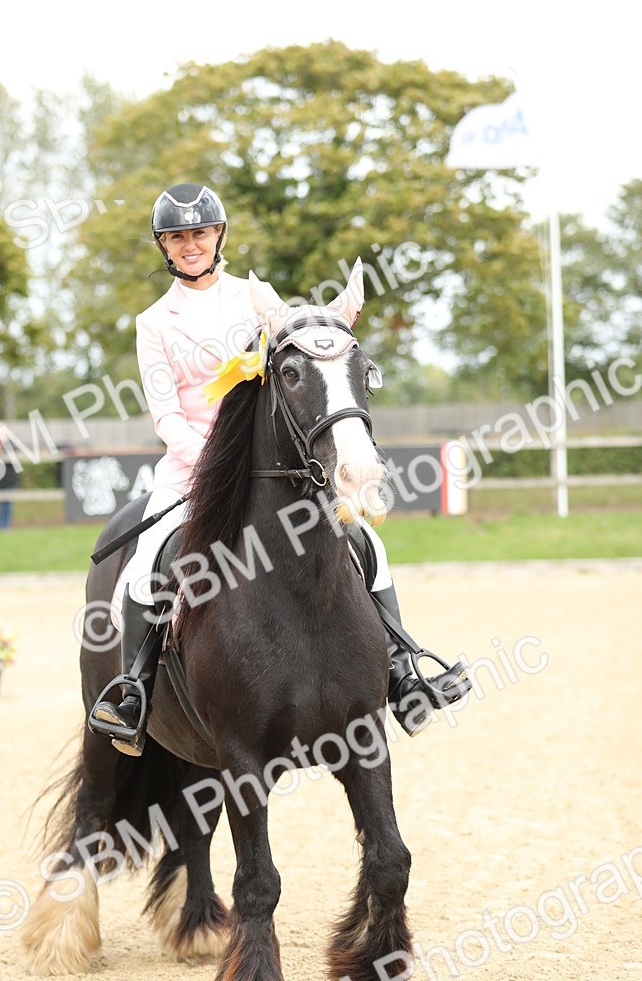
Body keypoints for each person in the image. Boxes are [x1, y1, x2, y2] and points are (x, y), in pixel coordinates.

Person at [90, 182, 470, 755]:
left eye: (200, 233)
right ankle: (135, 691)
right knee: (146, 561)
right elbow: (166, 415)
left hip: (272, 462)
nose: (190, 244)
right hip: (193, 468)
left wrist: (342, 320)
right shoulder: (154, 321)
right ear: (163, 247)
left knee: (366, 540)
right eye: (177, 237)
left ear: (218, 237)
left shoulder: (256, 298)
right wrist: (217, 465)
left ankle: (403, 670)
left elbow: (304, 356)